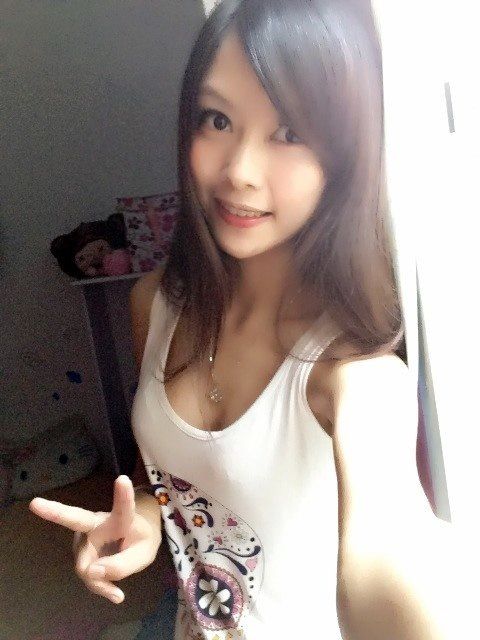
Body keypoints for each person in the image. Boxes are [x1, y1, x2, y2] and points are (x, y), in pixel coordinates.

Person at [29, 1, 446, 638]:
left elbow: (385, 562)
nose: (238, 172)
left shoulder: (356, 375)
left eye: (290, 132)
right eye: (217, 119)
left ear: (345, 155)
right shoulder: (155, 305)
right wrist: (146, 519)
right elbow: (172, 477)